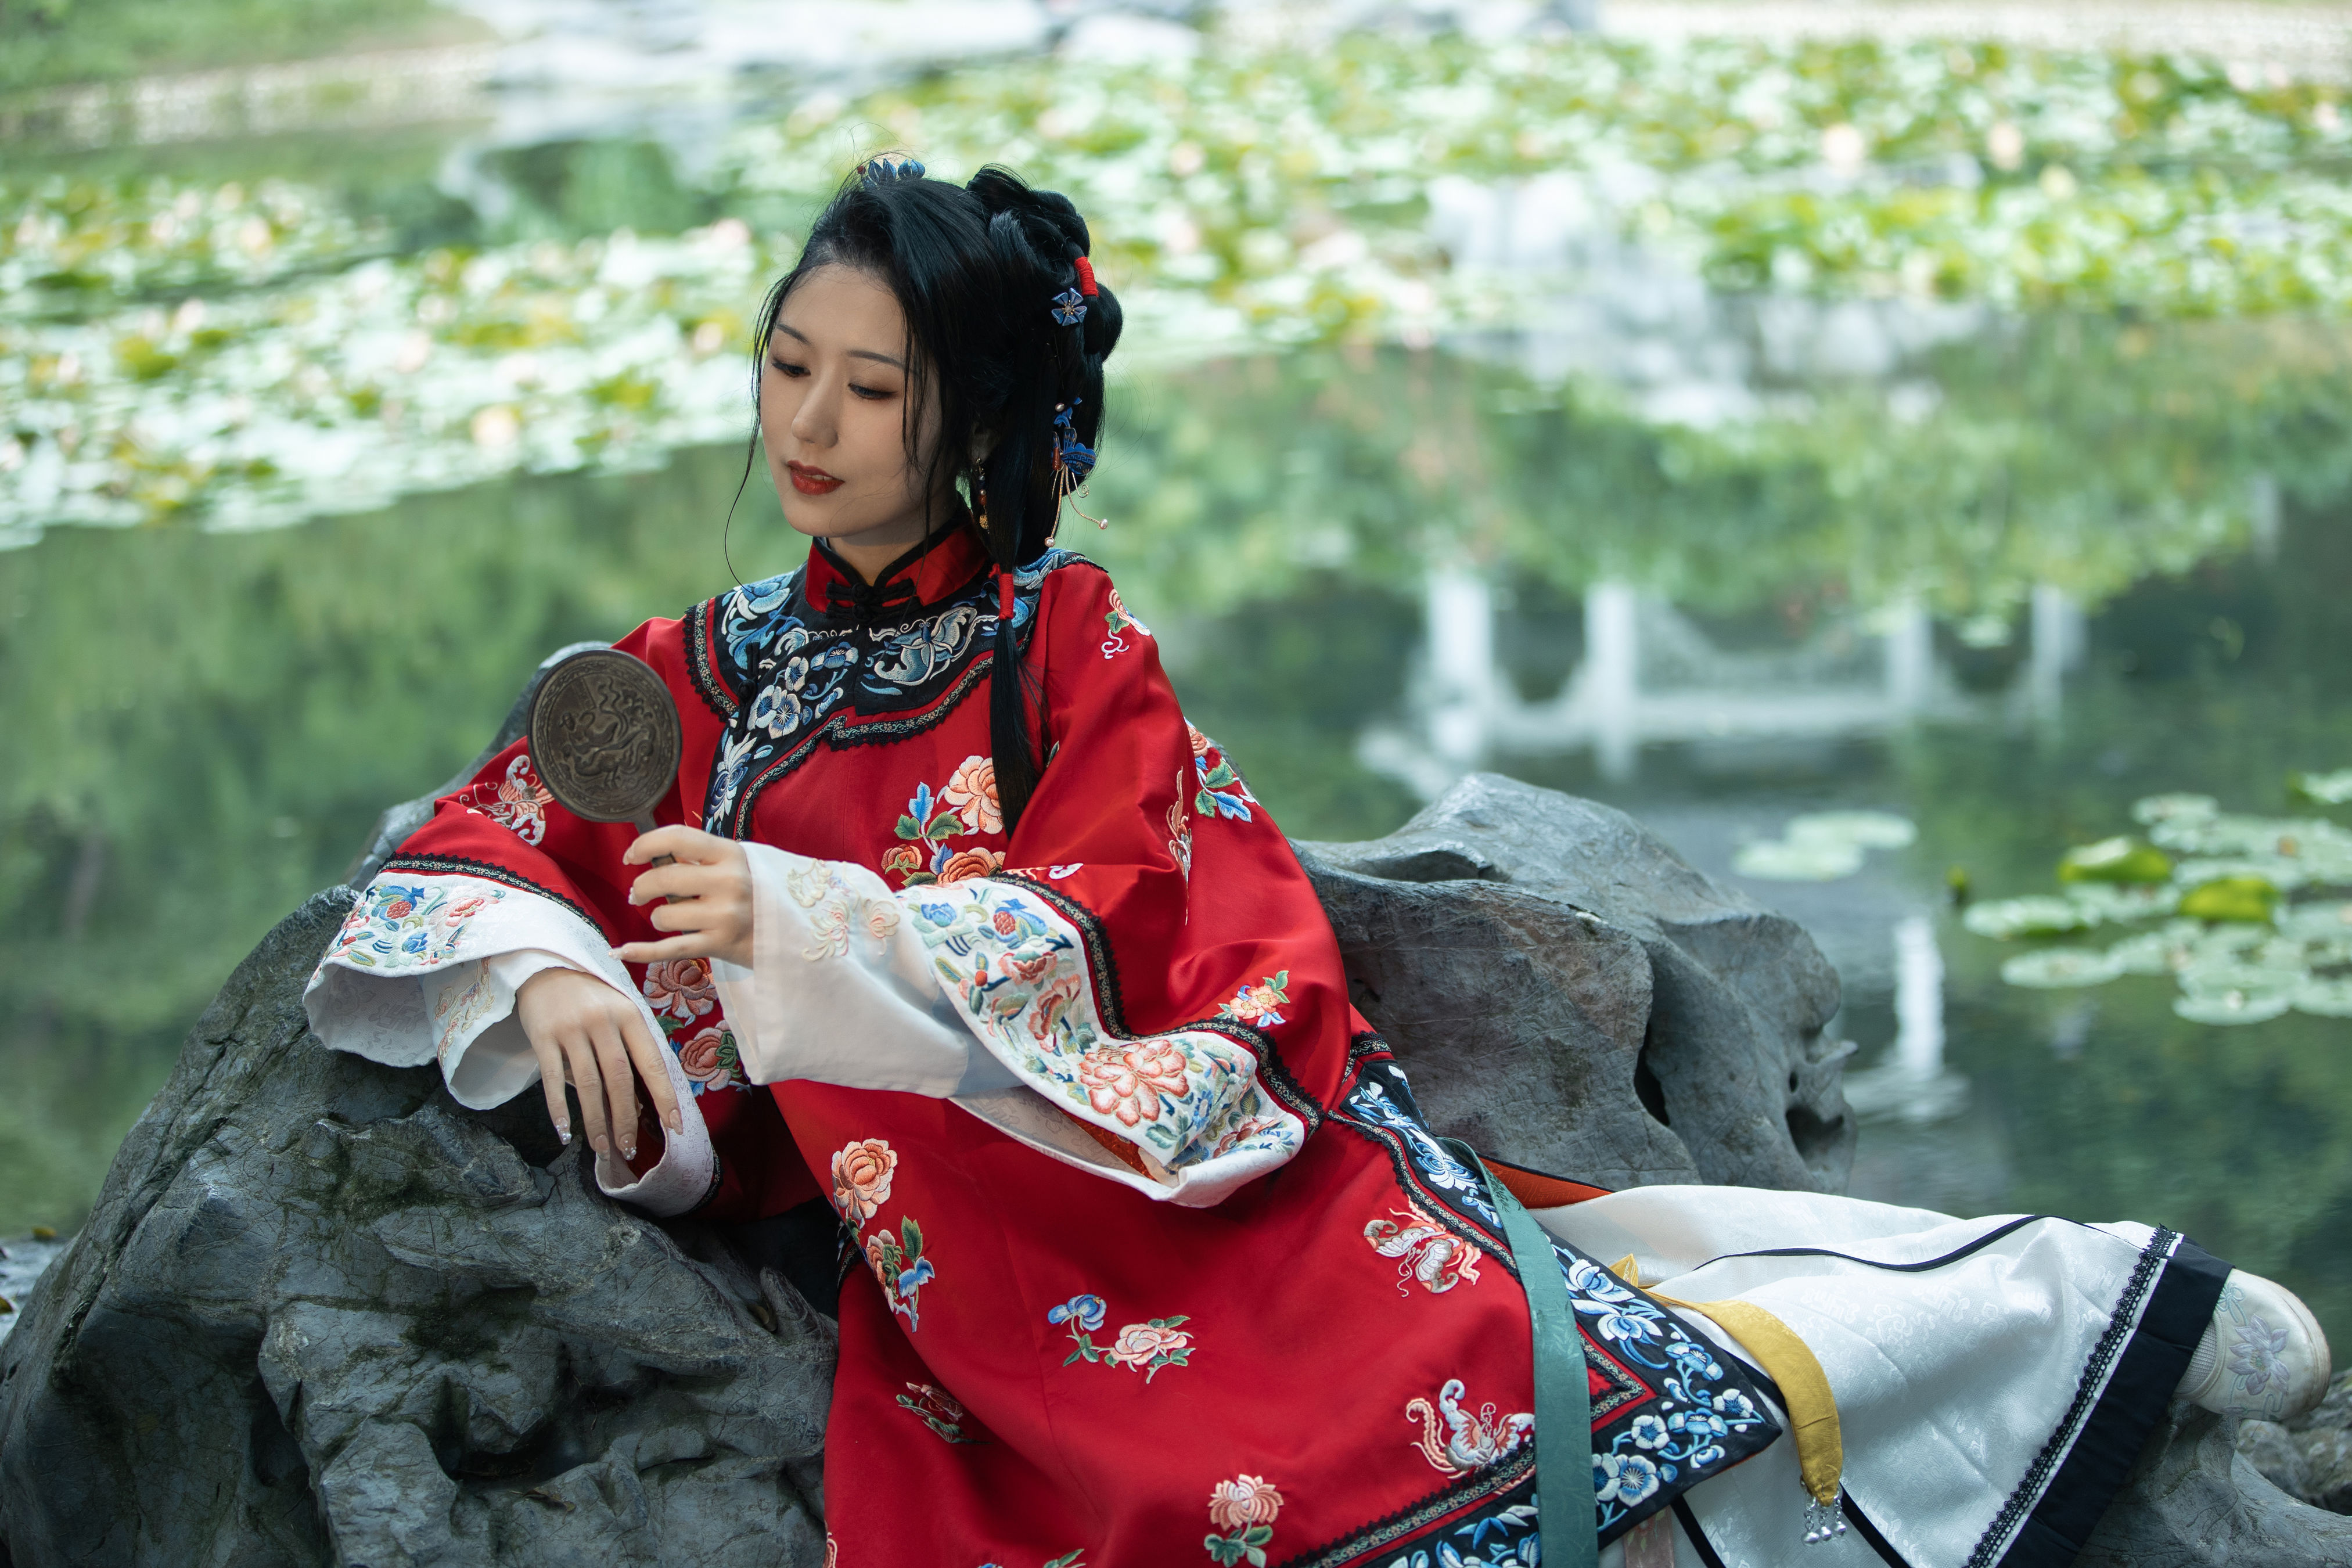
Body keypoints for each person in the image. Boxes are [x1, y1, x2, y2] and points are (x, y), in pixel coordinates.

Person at [305, 157, 2330, 1568]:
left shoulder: (1058, 648)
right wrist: (552, 968)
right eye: (788, 367)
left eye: (874, 387)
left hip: (1111, 1173)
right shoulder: (706, 669)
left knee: (1507, 1366)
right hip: (914, 1245)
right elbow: (484, 826)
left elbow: (1111, 919)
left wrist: (815, 924)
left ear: (976, 419)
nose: (811, 424)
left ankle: (2066, 1327)